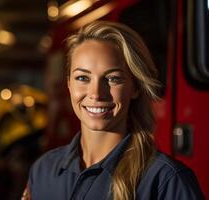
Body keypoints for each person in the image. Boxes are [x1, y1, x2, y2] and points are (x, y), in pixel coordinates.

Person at [22, 21, 204, 200]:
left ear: (135, 87)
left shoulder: (167, 180)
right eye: (83, 78)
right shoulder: (43, 170)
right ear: (68, 83)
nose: (96, 94)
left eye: (113, 79)